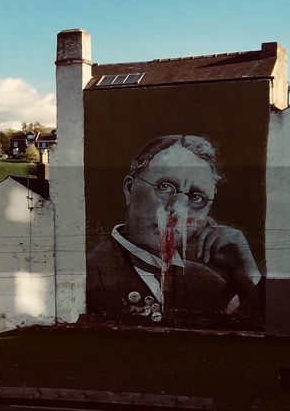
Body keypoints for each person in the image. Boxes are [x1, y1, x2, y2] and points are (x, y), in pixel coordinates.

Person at [86, 134, 262, 326]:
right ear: (130, 189)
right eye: (165, 187)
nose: (178, 211)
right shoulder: (87, 273)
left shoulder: (208, 283)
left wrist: (247, 275)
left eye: (196, 197)